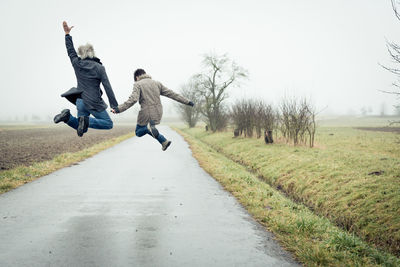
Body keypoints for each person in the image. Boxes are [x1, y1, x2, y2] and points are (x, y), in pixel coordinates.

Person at [53, 21, 119, 137]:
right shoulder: (99, 68)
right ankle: (85, 120)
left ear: (81, 54)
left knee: (81, 128)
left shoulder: (77, 63)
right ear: (92, 53)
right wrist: (114, 105)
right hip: (94, 102)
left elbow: (71, 52)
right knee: (108, 124)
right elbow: (107, 87)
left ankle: (67, 117)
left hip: (80, 101)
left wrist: (67, 35)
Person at [111, 69, 194, 151]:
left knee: (139, 132)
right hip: (158, 112)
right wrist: (188, 102)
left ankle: (149, 129)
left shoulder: (138, 84)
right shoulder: (157, 83)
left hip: (146, 113)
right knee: (146, 129)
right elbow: (172, 94)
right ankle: (163, 141)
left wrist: (118, 109)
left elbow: (133, 99)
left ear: (137, 77)